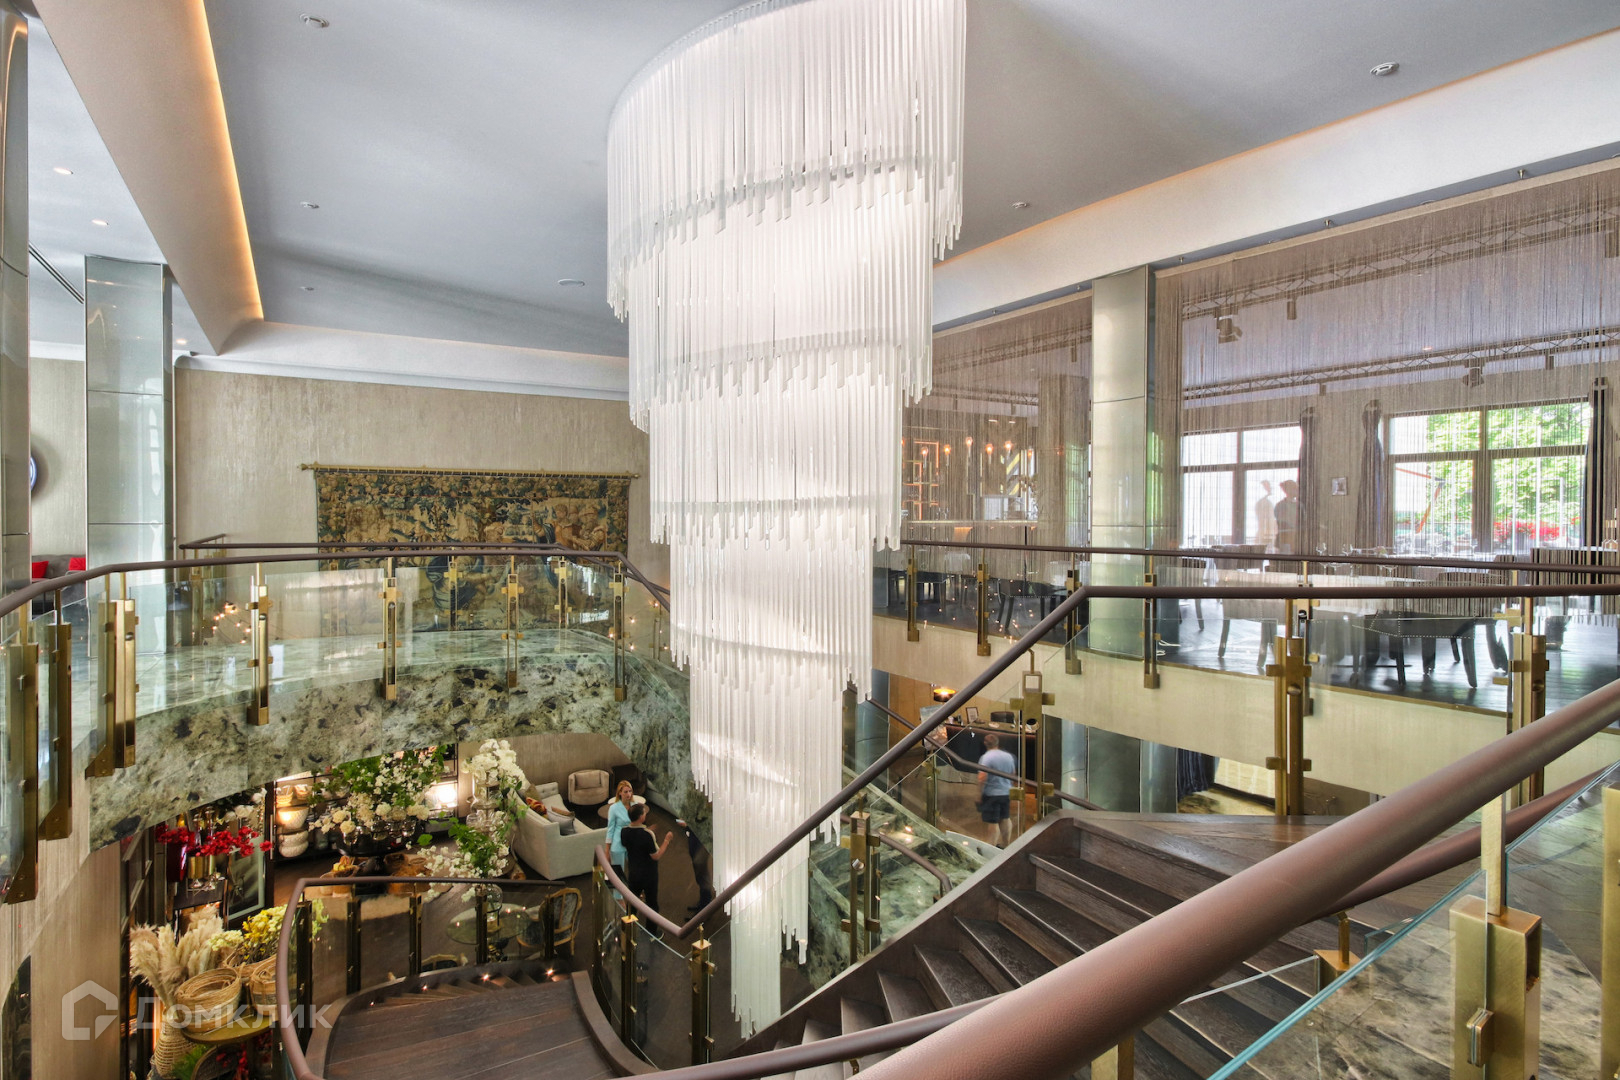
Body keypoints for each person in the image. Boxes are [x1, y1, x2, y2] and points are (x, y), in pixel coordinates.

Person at [620, 803, 672, 928]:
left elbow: (632, 841)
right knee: (652, 904)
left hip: (633, 873)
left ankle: (628, 930)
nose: (645, 814)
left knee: (632, 903)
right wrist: (667, 840)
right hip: (649, 875)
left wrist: (647, 831)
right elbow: (656, 856)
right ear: (640, 817)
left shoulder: (624, 831)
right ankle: (651, 933)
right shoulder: (647, 835)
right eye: (644, 813)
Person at [976, 732, 1018, 848]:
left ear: (985, 743)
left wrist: (979, 794)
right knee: (1005, 818)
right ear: (997, 743)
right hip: (1006, 792)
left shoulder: (986, 757)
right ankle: (1006, 844)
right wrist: (1009, 786)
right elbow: (1013, 773)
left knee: (993, 822)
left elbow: (982, 777)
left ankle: (991, 847)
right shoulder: (1008, 756)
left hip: (991, 794)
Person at [605, 780, 635, 877]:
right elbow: (610, 829)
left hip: (632, 843)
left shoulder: (635, 805)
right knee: (618, 875)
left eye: (630, 791)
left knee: (636, 871)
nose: (628, 794)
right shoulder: (614, 808)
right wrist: (607, 850)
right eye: (625, 792)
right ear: (620, 793)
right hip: (618, 843)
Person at [1274, 479, 1300, 554]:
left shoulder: (1299, 506)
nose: (1297, 491)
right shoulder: (1281, 505)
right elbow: (1282, 522)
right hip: (1285, 539)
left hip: (1296, 540)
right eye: (1295, 489)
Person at [1253, 480, 1277, 548]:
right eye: (1265, 486)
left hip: (1271, 532)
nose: (1269, 488)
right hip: (1263, 532)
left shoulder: (1271, 501)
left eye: (1268, 486)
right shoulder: (1261, 503)